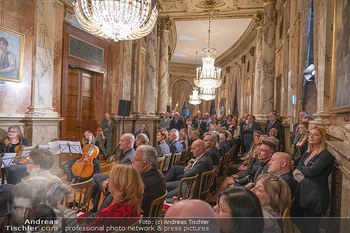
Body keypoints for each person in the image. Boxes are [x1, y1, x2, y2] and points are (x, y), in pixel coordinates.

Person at [291, 126, 334, 233]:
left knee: (312, 227)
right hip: (303, 190)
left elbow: (312, 172)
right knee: (294, 216)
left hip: (315, 194)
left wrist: (302, 168)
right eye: (310, 134)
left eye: (316, 134)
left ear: (322, 137)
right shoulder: (310, 150)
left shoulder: (326, 154)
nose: (311, 136)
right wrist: (304, 168)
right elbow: (299, 164)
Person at [84, 164, 144, 233]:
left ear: (120, 186)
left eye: (111, 178)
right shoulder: (134, 206)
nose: (108, 180)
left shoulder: (107, 214)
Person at [90, 133, 135, 212]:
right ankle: (94, 207)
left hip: (119, 185)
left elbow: (120, 178)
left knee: (96, 181)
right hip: (118, 179)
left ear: (129, 143)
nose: (119, 143)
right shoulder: (131, 153)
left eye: (122, 141)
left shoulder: (128, 158)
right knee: (96, 176)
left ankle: (93, 206)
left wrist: (107, 183)